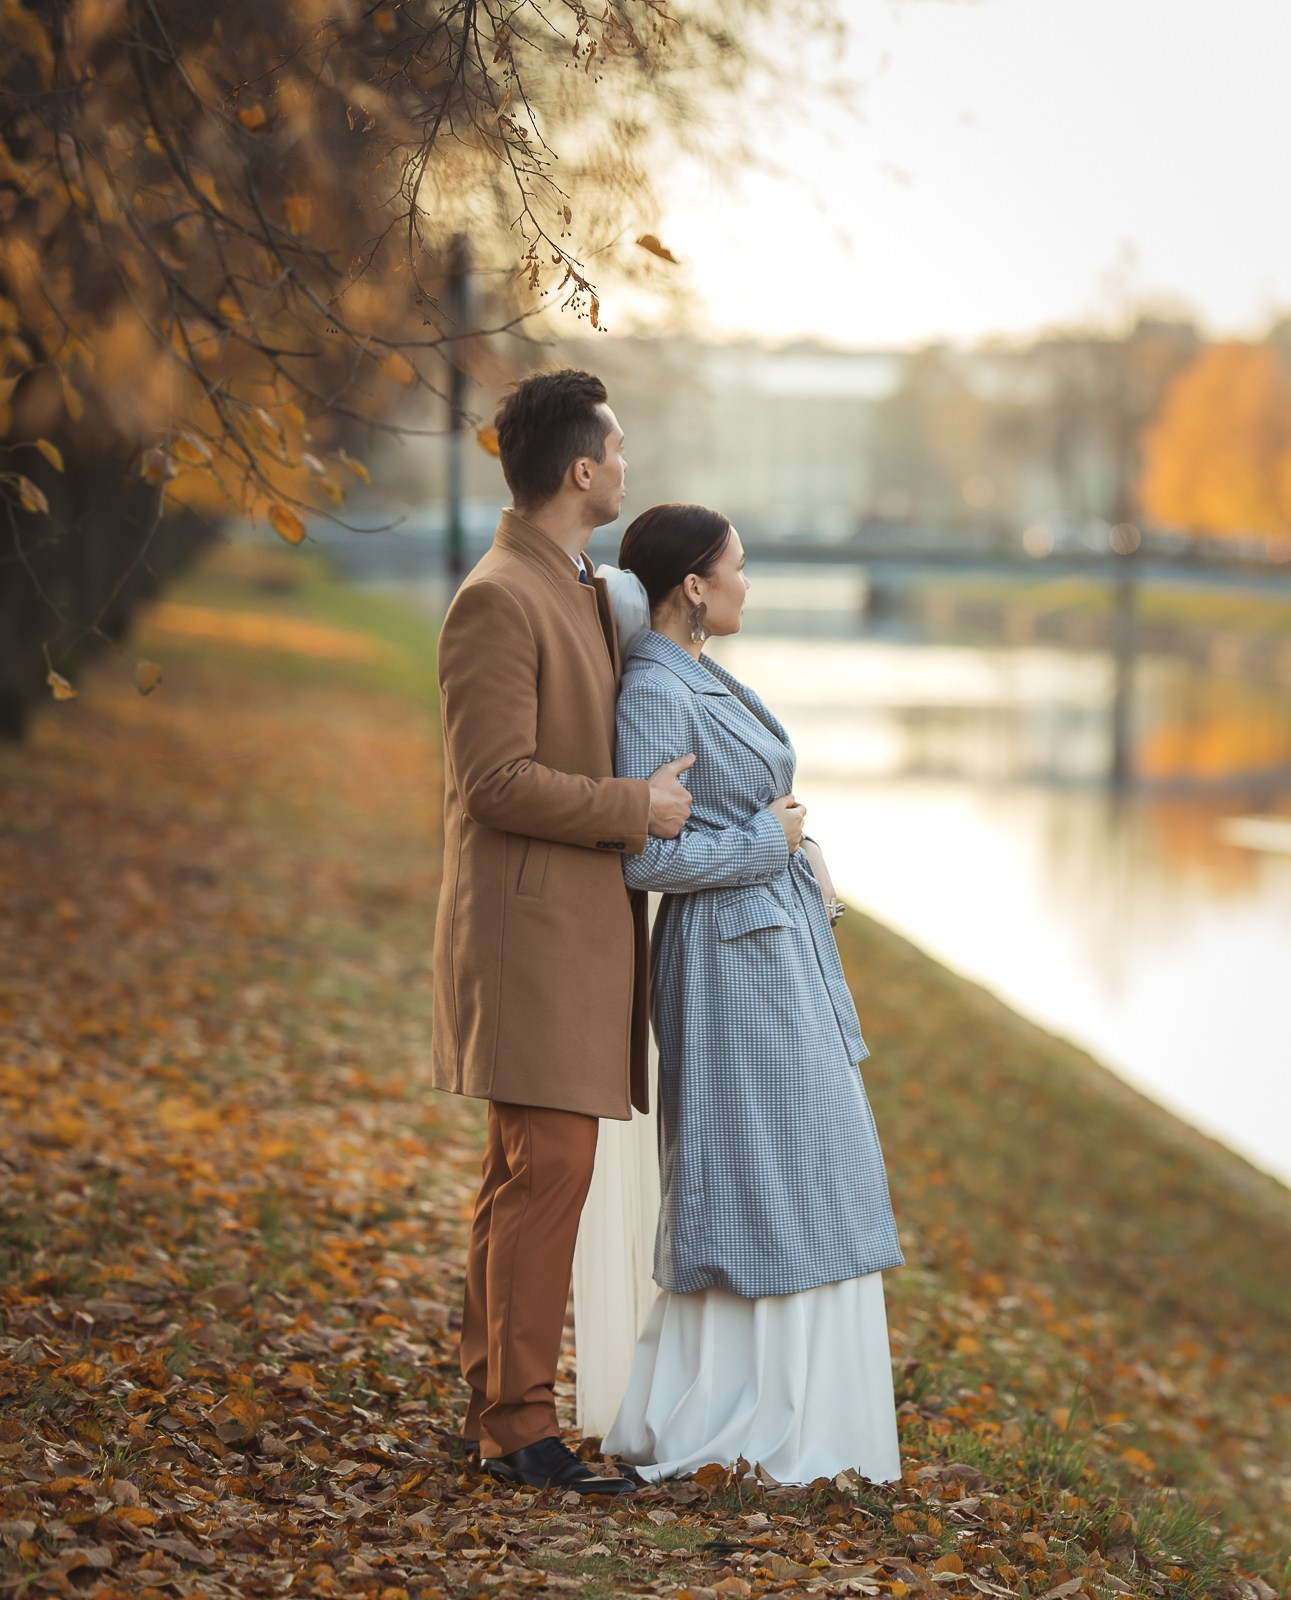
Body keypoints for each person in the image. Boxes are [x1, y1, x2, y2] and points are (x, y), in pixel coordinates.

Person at [592, 502, 905, 1485]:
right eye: (737, 565)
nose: (747, 580)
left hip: (772, 956)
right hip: (728, 969)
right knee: (758, 1169)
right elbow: (642, 857)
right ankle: (740, 1416)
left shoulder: (695, 671)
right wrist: (761, 845)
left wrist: (792, 851)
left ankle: (805, 1414)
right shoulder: (655, 683)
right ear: (693, 583)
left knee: (819, 1162)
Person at [429, 369, 698, 1497]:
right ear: (582, 470)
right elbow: (494, 782)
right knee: (552, 1171)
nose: (629, 467)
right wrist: (636, 807)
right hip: (530, 938)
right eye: (619, 450)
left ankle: (502, 1412)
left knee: (525, 1173)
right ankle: (520, 1431)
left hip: (572, 936)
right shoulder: (499, 595)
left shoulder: (580, 586)